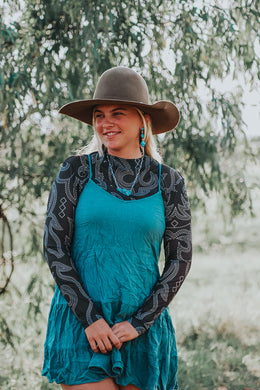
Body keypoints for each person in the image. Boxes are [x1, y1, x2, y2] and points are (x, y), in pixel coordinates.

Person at [42, 66, 192, 390]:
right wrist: (90, 319)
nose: (105, 123)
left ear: (143, 120)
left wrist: (139, 323)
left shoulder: (169, 182)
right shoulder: (77, 171)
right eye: (99, 114)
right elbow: (54, 247)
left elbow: (180, 260)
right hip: (83, 328)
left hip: (143, 329)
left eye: (117, 113)